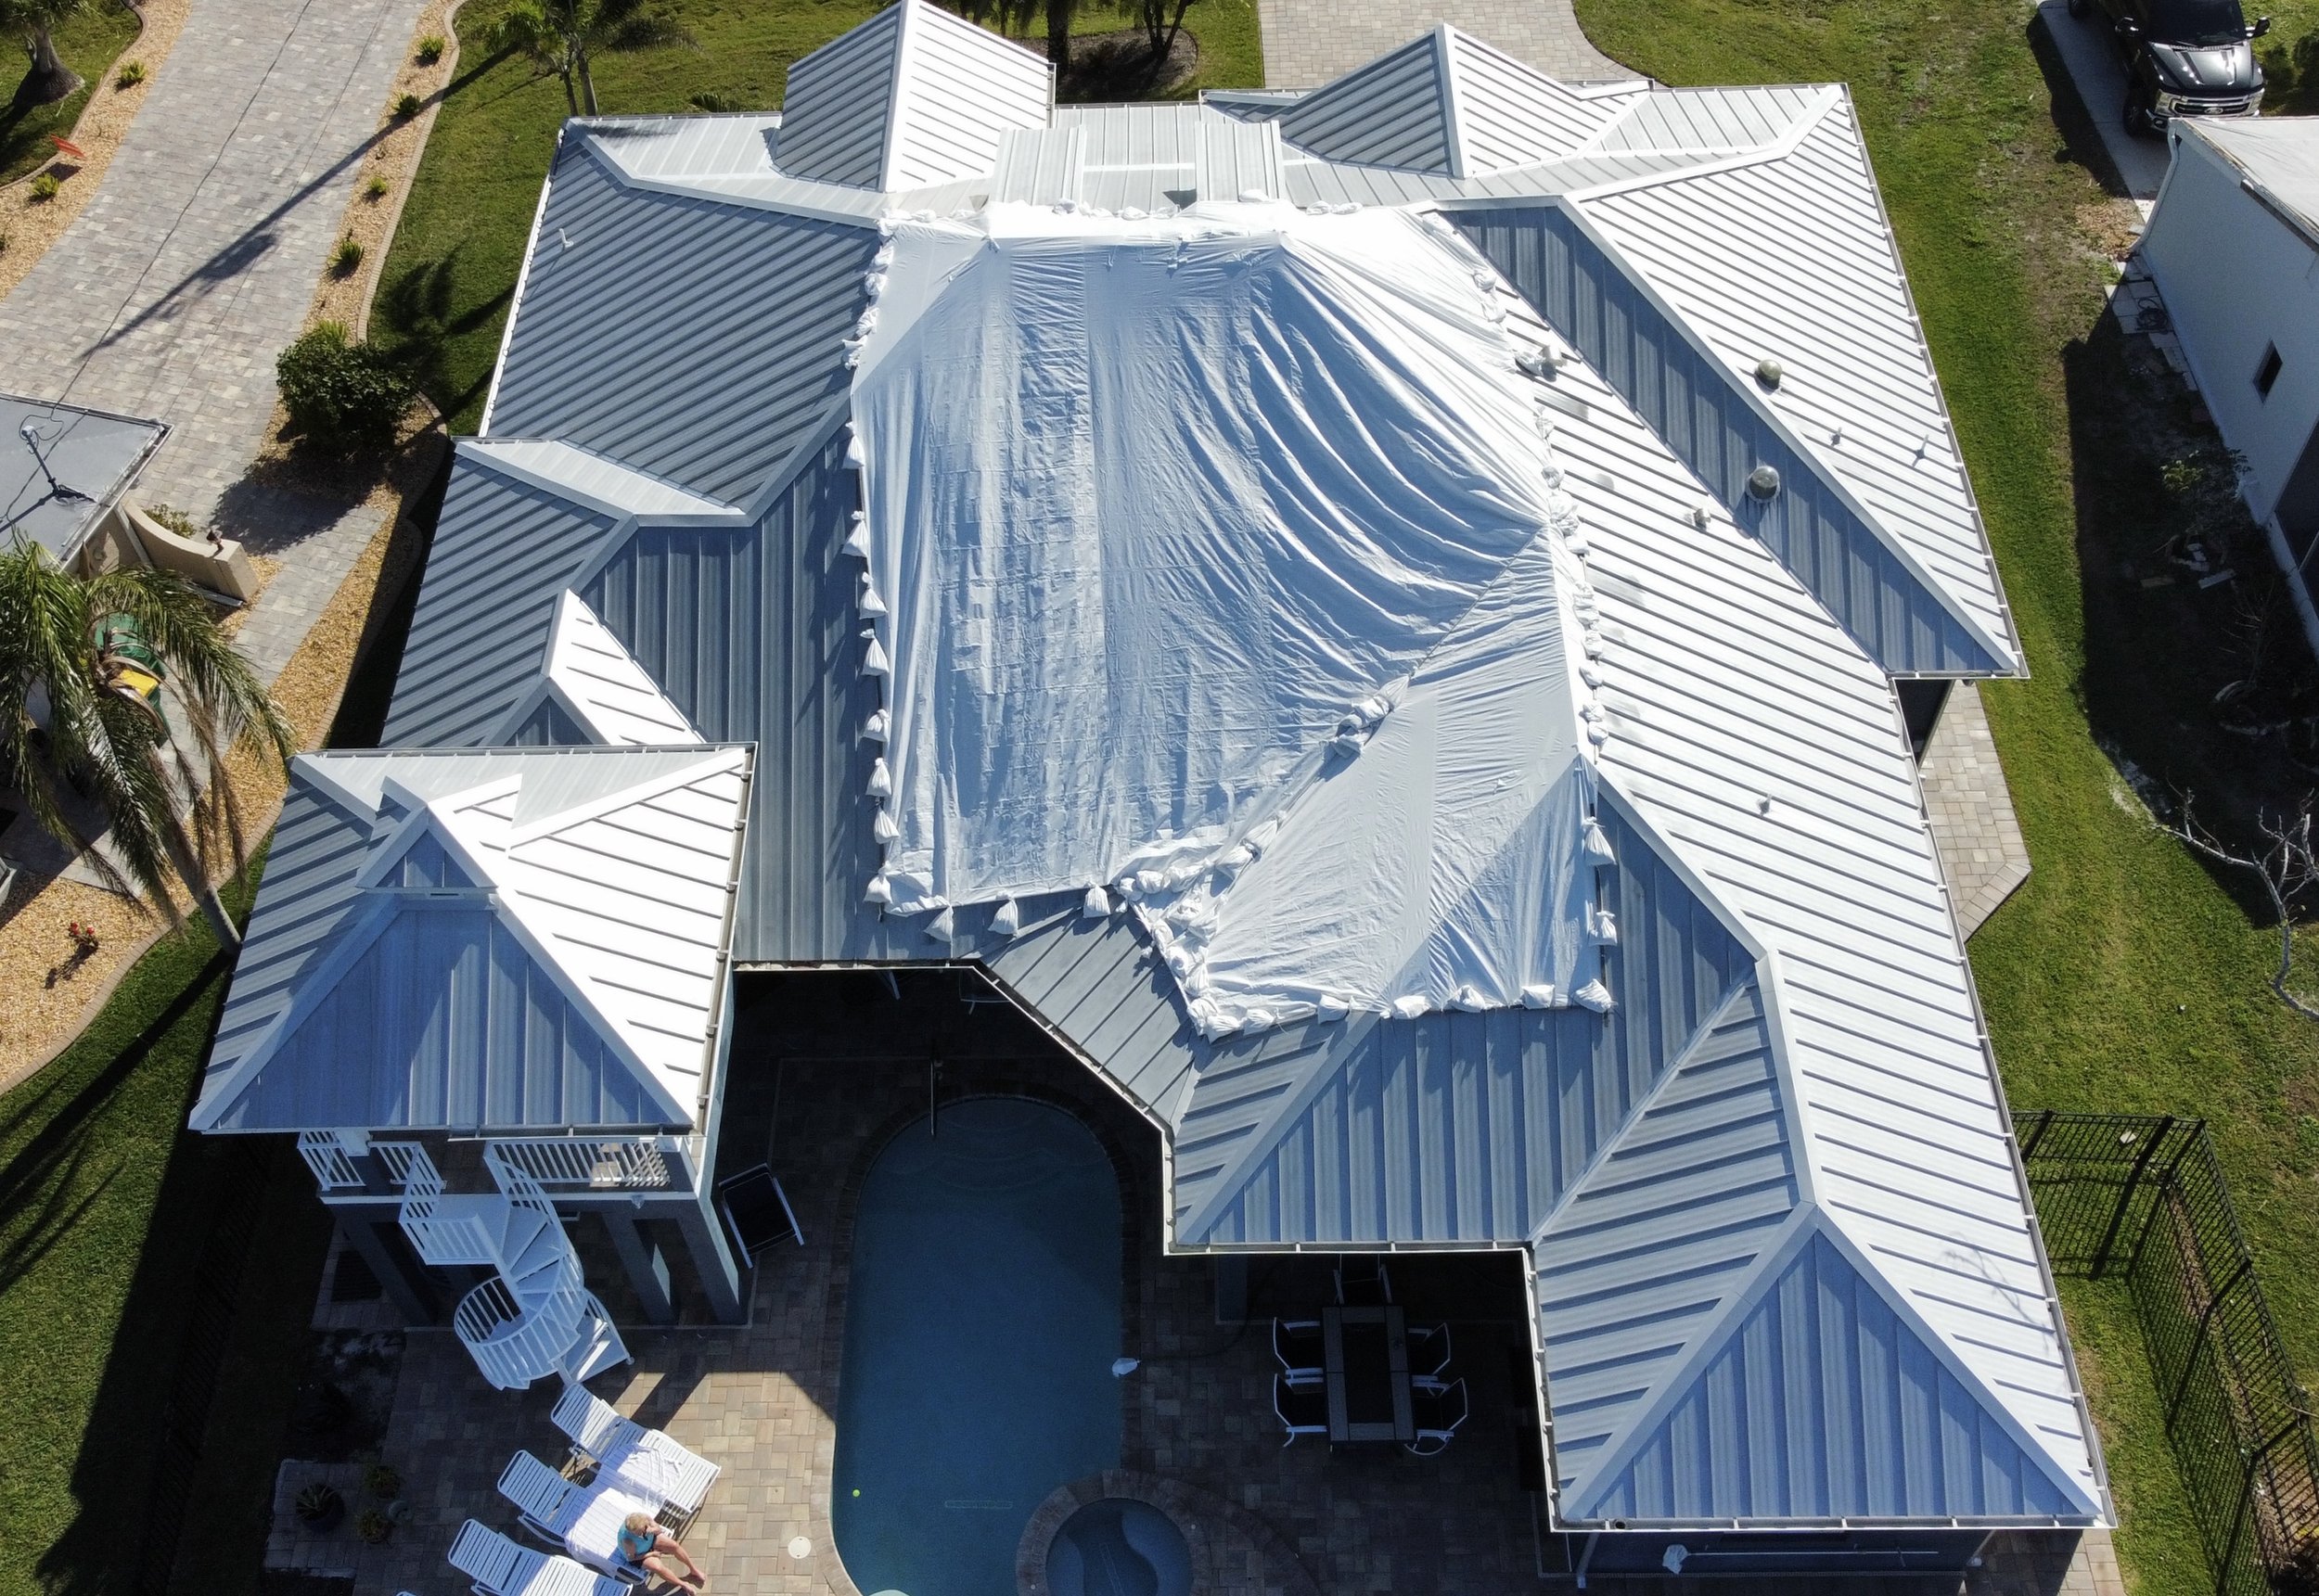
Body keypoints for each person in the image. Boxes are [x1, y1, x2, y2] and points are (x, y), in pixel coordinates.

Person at [617, 1511, 709, 1593]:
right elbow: (631, 1558)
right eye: (638, 1533)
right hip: (640, 1555)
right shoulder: (628, 1541)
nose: (641, 1535)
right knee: (658, 1567)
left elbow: (658, 1530)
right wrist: (652, 1554)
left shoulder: (644, 1518)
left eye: (642, 1531)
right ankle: (682, 1584)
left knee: (674, 1546)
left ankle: (694, 1570)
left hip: (651, 1541)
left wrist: (651, 1530)